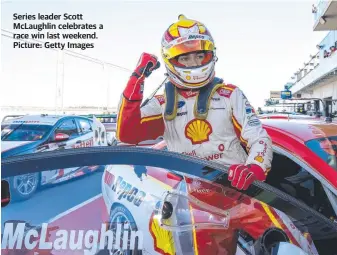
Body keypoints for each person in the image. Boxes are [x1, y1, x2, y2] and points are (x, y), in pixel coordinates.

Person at [116, 15, 273, 190]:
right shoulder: (161, 104)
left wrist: (254, 167)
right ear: (171, 60)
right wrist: (137, 78)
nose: (195, 63)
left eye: (200, 55)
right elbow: (127, 134)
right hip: (191, 196)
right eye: (185, 58)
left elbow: (258, 137)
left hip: (239, 191)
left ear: (211, 54)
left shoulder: (231, 95)